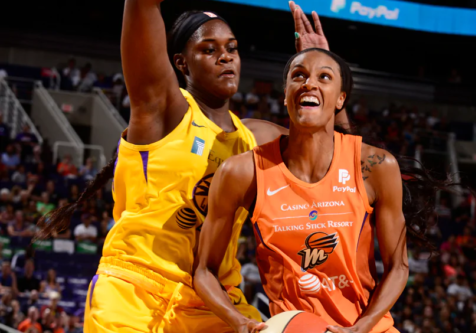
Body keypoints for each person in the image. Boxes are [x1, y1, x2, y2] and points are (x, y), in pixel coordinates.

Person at [37, 1, 340, 332]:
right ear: (181, 63)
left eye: (232, 49)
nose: (225, 57)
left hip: (215, 303)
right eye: (209, 50)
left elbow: (343, 159)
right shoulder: (162, 107)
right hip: (136, 293)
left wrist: (326, 71)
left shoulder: (256, 138)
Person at [195, 48, 452, 333]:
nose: (309, 83)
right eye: (299, 75)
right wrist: (240, 322)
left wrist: (361, 328)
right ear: (285, 94)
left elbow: (398, 267)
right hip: (295, 327)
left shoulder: (375, 166)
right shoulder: (241, 172)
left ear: (341, 99)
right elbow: (204, 271)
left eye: (324, 77)